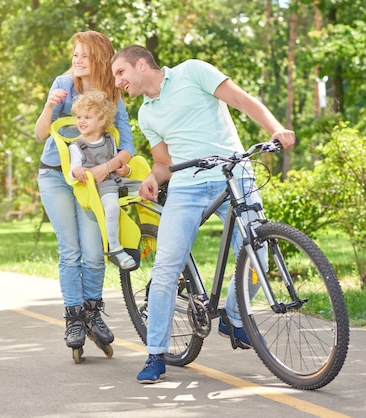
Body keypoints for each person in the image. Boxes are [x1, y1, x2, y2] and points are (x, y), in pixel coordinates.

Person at [110, 45, 296, 383]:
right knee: (166, 266)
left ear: (141, 64)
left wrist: (275, 128)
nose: (118, 82)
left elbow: (241, 100)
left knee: (258, 254)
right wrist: (153, 177)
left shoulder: (192, 71)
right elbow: (164, 162)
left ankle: (234, 319)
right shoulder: (146, 113)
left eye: (121, 73)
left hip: (235, 174)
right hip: (186, 185)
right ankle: (155, 353)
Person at [34, 31, 134, 355]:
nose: (76, 60)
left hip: (95, 180)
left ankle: (93, 313)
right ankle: (74, 318)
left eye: (84, 55)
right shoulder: (62, 85)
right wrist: (49, 108)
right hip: (56, 176)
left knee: (93, 252)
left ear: (99, 59)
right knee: (71, 251)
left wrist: (110, 167)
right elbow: (40, 134)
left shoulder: (112, 95)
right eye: (74, 54)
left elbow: (127, 146)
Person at [68, 89, 140, 270]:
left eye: (87, 117)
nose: (81, 121)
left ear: (101, 120)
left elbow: (116, 163)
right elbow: (72, 170)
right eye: (79, 117)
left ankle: (152, 233)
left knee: (149, 190)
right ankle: (114, 247)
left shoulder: (109, 139)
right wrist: (77, 171)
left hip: (117, 181)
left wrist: (125, 168)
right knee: (112, 206)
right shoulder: (77, 146)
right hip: (102, 187)